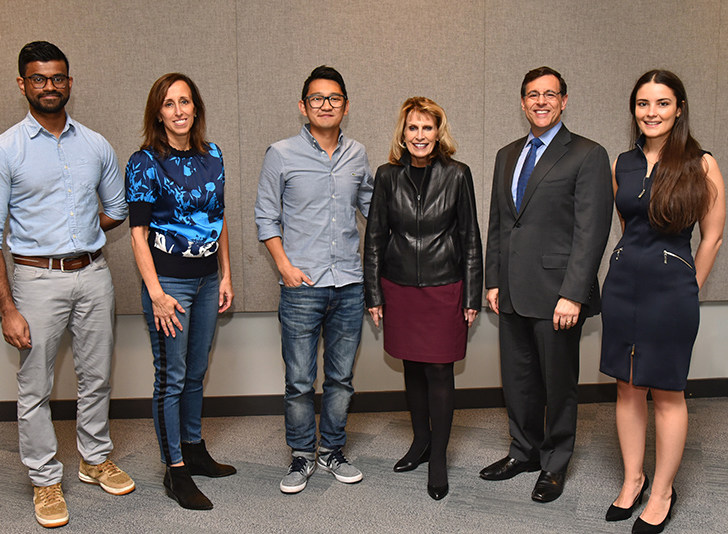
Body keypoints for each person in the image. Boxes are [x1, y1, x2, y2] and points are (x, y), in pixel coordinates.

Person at [0, 41, 134, 529]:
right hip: (35, 281)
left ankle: (94, 458)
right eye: (38, 78)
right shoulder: (2, 152)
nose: (49, 86)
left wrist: (79, 235)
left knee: (97, 376)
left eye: (57, 77)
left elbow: (117, 209)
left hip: (94, 274)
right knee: (35, 387)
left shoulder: (96, 144)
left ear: (69, 82)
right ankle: (44, 479)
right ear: (23, 83)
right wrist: (7, 307)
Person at [600, 70, 725, 534]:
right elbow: (626, 221)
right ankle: (633, 479)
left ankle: (662, 493)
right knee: (627, 387)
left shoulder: (701, 163)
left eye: (662, 103)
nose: (651, 113)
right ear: (634, 109)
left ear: (679, 109)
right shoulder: (622, 163)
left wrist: (691, 285)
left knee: (667, 392)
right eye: (643, 104)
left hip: (671, 292)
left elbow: (712, 236)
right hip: (622, 285)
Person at [482, 66, 613, 503]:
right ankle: (523, 451)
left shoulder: (587, 154)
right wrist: (494, 281)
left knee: (558, 385)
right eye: (533, 95)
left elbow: (591, 231)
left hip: (559, 294)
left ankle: (555, 463)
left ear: (564, 100)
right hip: (512, 292)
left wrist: (573, 293)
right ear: (522, 102)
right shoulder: (506, 154)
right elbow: (500, 224)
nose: (541, 101)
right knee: (518, 381)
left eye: (550, 94)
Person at [254, 65, 373, 494]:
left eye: (334, 98)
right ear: (303, 106)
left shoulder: (358, 154)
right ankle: (302, 455)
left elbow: (373, 209)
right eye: (317, 98)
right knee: (300, 380)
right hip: (302, 285)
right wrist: (284, 266)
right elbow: (265, 216)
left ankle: (333, 451)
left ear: (345, 105)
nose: (326, 105)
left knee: (341, 379)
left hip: (349, 284)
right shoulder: (281, 153)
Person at [126, 73, 236, 510]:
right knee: (170, 378)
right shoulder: (144, 162)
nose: (179, 110)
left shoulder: (214, 154)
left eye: (185, 101)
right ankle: (174, 470)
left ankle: (193, 448)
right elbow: (137, 233)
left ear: (196, 107)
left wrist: (226, 274)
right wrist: (154, 292)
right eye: (169, 103)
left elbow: (220, 218)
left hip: (208, 280)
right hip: (169, 284)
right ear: (158, 112)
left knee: (195, 371)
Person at [364, 97, 482, 500]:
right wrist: (374, 292)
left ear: (438, 132)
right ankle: (420, 442)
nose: (419, 136)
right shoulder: (386, 176)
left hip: (444, 286)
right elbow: (375, 237)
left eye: (427, 128)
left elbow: (470, 238)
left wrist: (472, 292)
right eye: (412, 128)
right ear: (403, 133)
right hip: (398, 287)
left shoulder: (457, 175)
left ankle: (438, 459)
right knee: (411, 367)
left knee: (439, 372)